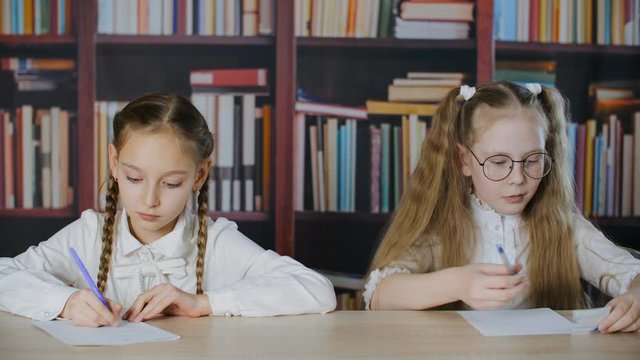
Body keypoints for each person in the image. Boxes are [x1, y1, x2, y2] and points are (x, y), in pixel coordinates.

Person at [0, 93, 336, 327]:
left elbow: (316, 290)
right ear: (114, 163)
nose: (149, 200)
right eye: (134, 178)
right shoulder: (89, 234)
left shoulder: (216, 242)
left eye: (171, 184)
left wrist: (204, 304)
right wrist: (66, 302)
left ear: (199, 175)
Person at [364, 81, 640, 333]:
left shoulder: (564, 227)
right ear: (464, 161)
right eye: (498, 162)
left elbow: (629, 272)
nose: (518, 179)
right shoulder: (444, 226)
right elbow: (380, 295)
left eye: (532, 159)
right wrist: (459, 283)